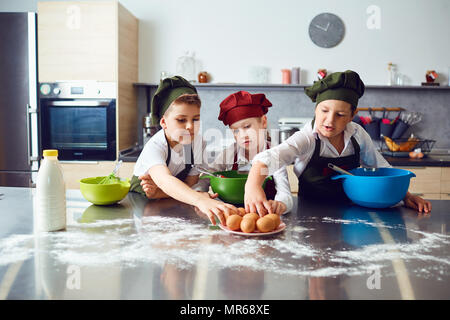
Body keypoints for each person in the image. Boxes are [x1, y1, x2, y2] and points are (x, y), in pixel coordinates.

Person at [244, 70, 432, 215]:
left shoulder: (358, 134)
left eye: (340, 115)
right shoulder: (307, 138)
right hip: (310, 215)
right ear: (316, 109)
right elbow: (269, 158)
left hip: (353, 213)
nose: (329, 120)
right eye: (324, 111)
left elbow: (380, 167)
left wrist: (406, 197)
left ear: (352, 116)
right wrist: (252, 185)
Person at [130, 75, 236, 225]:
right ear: (163, 122)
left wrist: (159, 193)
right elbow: (165, 180)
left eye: (195, 119)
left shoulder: (198, 142)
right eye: (181, 120)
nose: (190, 127)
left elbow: (191, 183)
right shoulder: (155, 146)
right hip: (143, 207)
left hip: (176, 202)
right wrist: (199, 199)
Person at [197, 90, 293, 215]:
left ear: (263, 122)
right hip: (232, 216)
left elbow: (285, 194)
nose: (243, 135)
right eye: (236, 131)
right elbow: (206, 177)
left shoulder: (275, 154)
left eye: (247, 127)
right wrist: (200, 194)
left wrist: (281, 204)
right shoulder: (229, 154)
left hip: (264, 216)